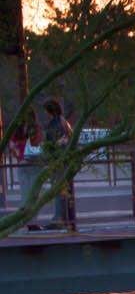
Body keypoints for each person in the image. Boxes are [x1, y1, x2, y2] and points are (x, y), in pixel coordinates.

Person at [40, 98, 74, 230]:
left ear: (49, 112)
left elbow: (53, 146)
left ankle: (58, 219)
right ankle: (68, 217)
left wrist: (47, 155)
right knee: (66, 190)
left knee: (58, 190)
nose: (45, 114)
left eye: (45, 111)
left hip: (58, 162)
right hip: (67, 161)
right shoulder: (66, 123)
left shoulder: (53, 126)